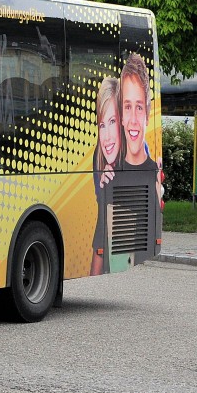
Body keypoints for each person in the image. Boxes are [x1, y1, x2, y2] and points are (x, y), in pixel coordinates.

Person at [118, 52, 164, 204]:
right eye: (127, 107)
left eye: (139, 107)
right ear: (121, 116)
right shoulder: (110, 174)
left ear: (148, 115)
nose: (132, 120)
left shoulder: (153, 174)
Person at [91, 76, 121, 275]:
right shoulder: (99, 158)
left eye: (112, 121)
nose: (107, 136)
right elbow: (100, 244)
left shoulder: (134, 161)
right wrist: (103, 193)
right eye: (102, 125)